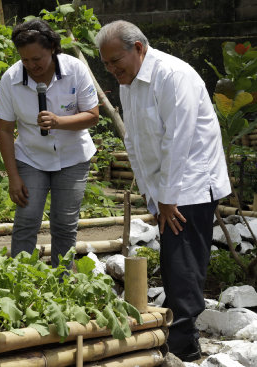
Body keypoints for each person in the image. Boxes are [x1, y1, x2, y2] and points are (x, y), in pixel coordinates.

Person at [95, 20, 231, 362]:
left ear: (138, 48)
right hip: (168, 189)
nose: (112, 70)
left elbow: (178, 141)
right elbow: (136, 143)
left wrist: (167, 198)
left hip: (192, 184)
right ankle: (181, 335)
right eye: (106, 65)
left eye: (116, 62)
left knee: (182, 261)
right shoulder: (129, 83)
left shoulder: (173, 75)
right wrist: (151, 196)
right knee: (174, 259)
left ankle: (184, 343)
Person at [0, 19, 99, 268]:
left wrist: (59, 121)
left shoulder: (76, 70)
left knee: (64, 223)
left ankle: (60, 284)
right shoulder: (11, 78)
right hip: (31, 157)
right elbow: (5, 130)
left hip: (73, 157)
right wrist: (13, 177)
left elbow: (93, 116)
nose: (31, 66)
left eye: (36, 59)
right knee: (27, 220)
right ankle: (22, 281)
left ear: (52, 47)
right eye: (25, 60)